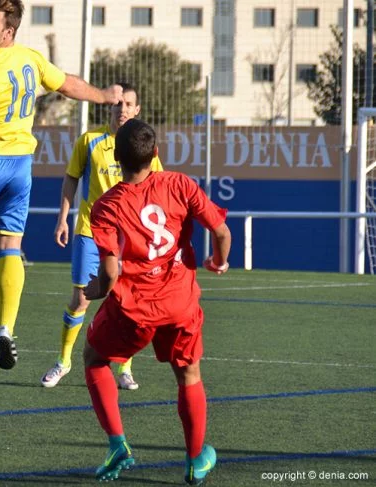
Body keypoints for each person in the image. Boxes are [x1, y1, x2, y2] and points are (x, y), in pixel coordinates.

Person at [0, 0, 123, 370]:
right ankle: (5, 328)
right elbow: (68, 85)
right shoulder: (32, 59)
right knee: (10, 247)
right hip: (21, 167)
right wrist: (104, 95)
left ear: (8, 31)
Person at [82, 119, 230, 484]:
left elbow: (112, 273)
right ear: (156, 154)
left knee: (94, 359)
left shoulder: (106, 206)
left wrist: (95, 290)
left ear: (117, 158)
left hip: (134, 308)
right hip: (180, 302)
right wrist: (217, 261)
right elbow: (222, 231)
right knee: (188, 374)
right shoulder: (179, 183)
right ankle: (195, 460)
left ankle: (118, 443)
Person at [40, 83, 163, 389]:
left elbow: (157, 188)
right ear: (109, 107)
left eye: (128, 104)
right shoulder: (90, 140)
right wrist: (62, 219)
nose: (122, 108)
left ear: (137, 111)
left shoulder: (144, 146)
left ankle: (124, 368)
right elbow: (71, 178)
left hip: (128, 237)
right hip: (89, 231)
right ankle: (63, 361)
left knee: (128, 302)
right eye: (117, 103)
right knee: (81, 298)